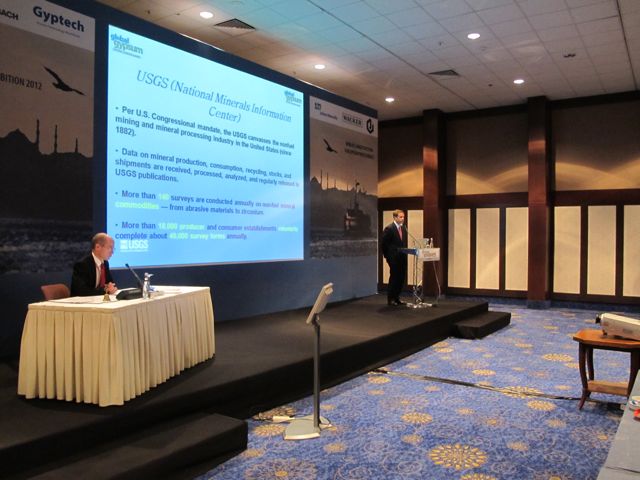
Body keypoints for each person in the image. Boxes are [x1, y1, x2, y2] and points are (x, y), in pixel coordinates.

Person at [381, 209, 407, 306]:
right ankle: (391, 298)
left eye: (403, 217)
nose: (402, 219)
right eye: (400, 217)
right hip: (393, 258)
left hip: (402, 257)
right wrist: (387, 257)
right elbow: (383, 244)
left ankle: (397, 297)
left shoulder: (403, 228)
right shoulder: (389, 229)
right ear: (395, 217)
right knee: (394, 277)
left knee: (401, 277)